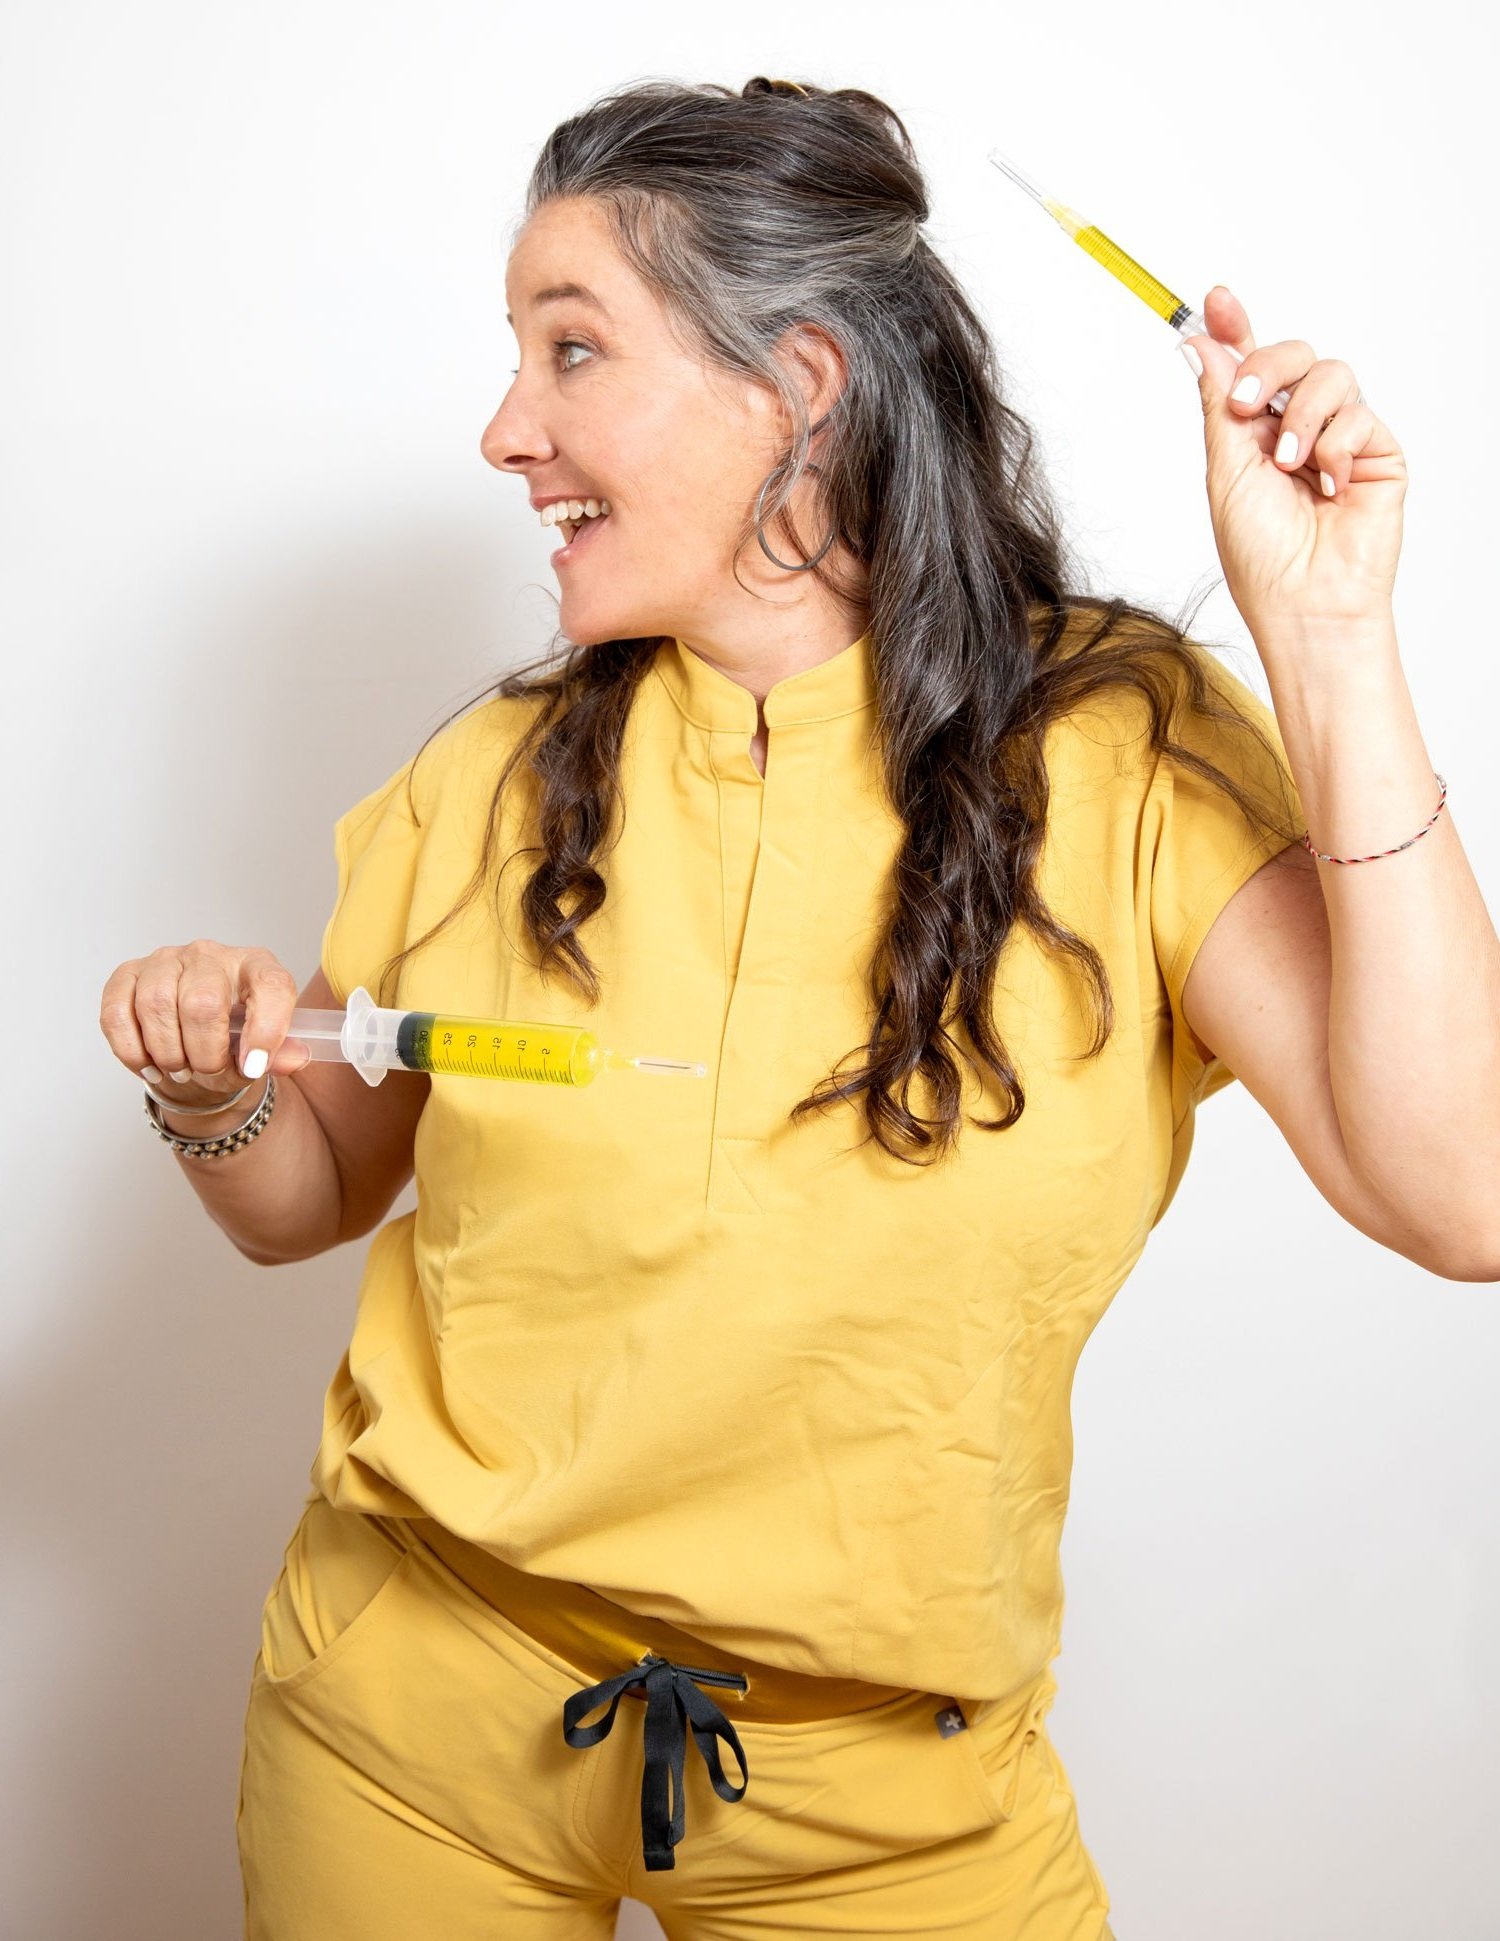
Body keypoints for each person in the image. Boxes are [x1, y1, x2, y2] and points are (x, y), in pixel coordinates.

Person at [102, 72, 1488, 1941]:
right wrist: (214, 1092)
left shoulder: (1126, 753)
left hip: (887, 1803)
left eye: (571, 347)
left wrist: (1328, 635)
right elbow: (312, 1190)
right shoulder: (496, 773)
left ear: (800, 386)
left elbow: (1462, 1191)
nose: (505, 428)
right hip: (408, 1725)